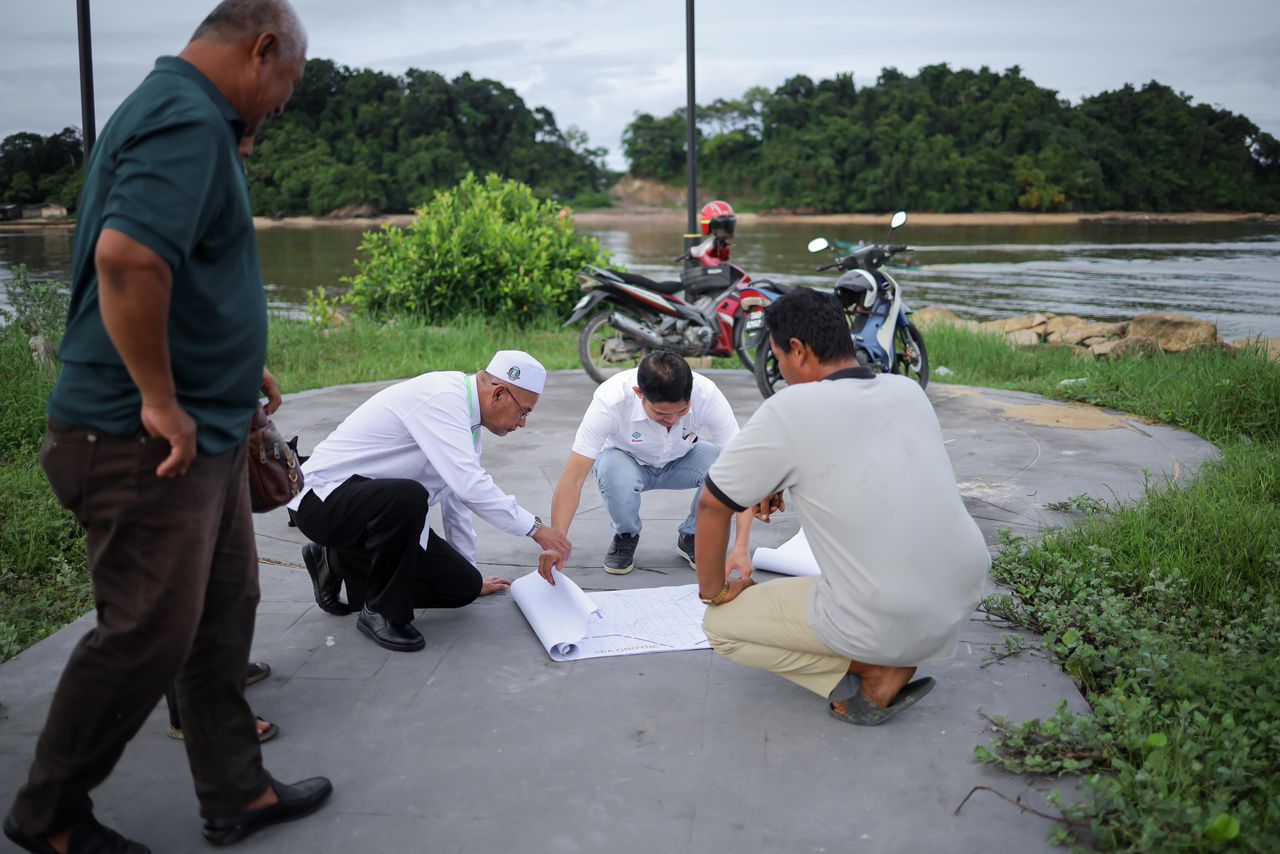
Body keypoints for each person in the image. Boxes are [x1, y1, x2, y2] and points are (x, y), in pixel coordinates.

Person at [3, 3, 332, 852]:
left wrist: (228, 361)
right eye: (285, 90)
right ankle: (51, 816)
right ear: (263, 50)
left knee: (223, 609)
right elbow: (125, 258)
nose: (279, 109)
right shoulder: (185, 118)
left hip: (206, 430)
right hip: (140, 438)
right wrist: (158, 396)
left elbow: (177, 260)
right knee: (144, 632)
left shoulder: (183, 112)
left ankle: (237, 793)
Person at [694, 287, 989, 726]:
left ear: (798, 349)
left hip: (886, 610)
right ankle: (891, 650)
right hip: (962, 590)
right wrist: (776, 479)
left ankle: (875, 670)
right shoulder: (906, 391)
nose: (781, 373)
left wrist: (713, 590)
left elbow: (710, 507)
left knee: (720, 628)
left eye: (778, 360)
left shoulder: (791, 407)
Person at [288, 351, 573, 651]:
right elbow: (470, 486)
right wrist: (536, 529)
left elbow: (458, 501)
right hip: (322, 501)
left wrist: (472, 573)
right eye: (524, 412)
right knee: (408, 496)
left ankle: (334, 560)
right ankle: (382, 611)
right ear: (499, 393)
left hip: (368, 513)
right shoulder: (442, 399)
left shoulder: (468, 422)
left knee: (461, 588)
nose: (523, 423)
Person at [545, 350, 754, 579]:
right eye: (662, 414)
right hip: (626, 460)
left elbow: (742, 471)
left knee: (722, 467)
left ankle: (694, 535)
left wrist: (741, 546)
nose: (673, 420)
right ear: (638, 393)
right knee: (613, 471)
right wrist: (555, 544)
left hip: (682, 458)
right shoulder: (610, 400)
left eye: (682, 411)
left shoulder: (708, 395)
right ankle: (626, 535)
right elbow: (573, 477)